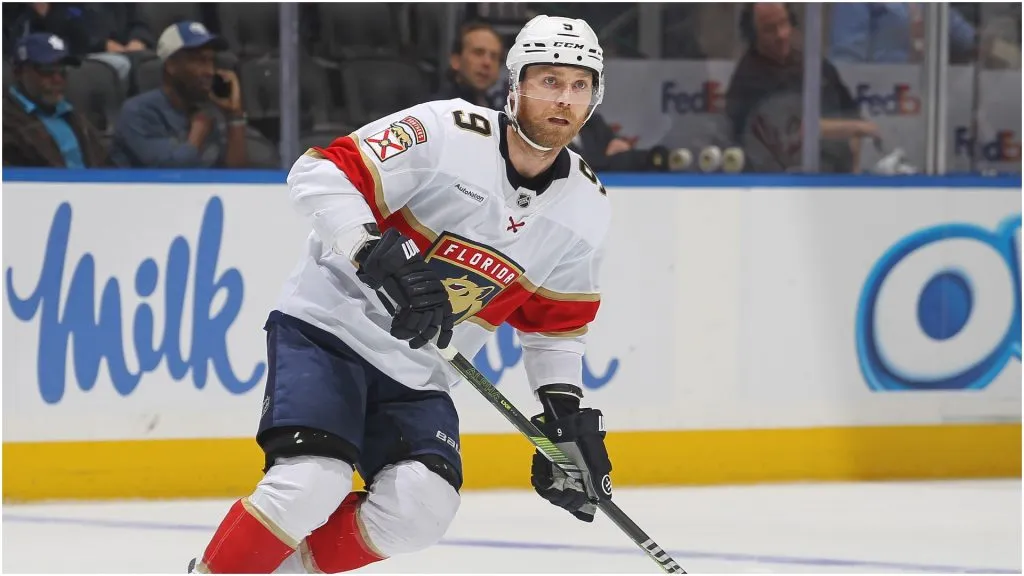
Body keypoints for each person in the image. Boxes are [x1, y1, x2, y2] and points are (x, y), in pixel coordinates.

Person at [189, 14, 614, 575]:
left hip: (420, 372)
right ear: (515, 86)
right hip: (330, 329)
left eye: (579, 85)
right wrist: (369, 250)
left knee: (422, 507)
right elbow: (317, 174)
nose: (563, 99)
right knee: (311, 480)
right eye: (549, 81)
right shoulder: (446, 132)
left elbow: (556, 326)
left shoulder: (586, 207)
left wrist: (563, 412)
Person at [725, 3, 879, 172]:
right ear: (753, 36)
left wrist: (852, 176)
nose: (781, 35)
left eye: (783, 23)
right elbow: (793, 131)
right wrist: (856, 128)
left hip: (835, 179)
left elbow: (850, 115)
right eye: (769, 29)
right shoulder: (748, 79)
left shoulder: (814, 64)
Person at [110, 21, 247, 168]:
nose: (210, 71)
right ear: (171, 66)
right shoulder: (138, 112)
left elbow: (235, 177)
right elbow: (168, 177)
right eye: (199, 61)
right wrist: (196, 137)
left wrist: (235, 117)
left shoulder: (211, 109)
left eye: (211, 61)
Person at [3, 33, 108, 167]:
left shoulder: (74, 115)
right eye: (47, 70)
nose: (58, 79)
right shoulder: (7, 120)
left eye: (63, 70)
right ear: (19, 72)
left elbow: (106, 167)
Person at [430, 21, 504, 108]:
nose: (487, 62)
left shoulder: (499, 113)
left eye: (494, 56)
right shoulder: (436, 109)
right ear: (456, 61)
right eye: (478, 53)